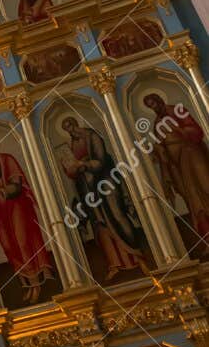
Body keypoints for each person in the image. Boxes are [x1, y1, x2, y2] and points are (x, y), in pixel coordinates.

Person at [58, 115, 147, 278]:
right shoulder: (71, 145)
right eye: (66, 128)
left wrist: (83, 164)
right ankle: (114, 264)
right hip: (87, 188)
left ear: (76, 123)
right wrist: (71, 168)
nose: (70, 130)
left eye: (70, 125)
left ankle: (137, 255)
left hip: (105, 180)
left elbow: (101, 160)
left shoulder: (91, 136)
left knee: (117, 215)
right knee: (99, 223)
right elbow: (73, 172)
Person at [0, 142, 54, 302]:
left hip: (18, 207)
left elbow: (17, 186)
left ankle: (36, 284)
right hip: (1, 211)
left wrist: (2, 190)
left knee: (23, 242)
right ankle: (27, 285)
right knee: (9, 246)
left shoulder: (7, 160)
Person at [144, 92, 209, 240]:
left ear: (160, 100)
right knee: (192, 199)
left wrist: (179, 130)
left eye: (154, 104)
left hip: (192, 155)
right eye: (150, 107)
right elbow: (162, 145)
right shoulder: (157, 123)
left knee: (205, 187)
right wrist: (158, 151)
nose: (154, 108)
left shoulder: (176, 111)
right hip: (176, 165)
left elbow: (196, 132)